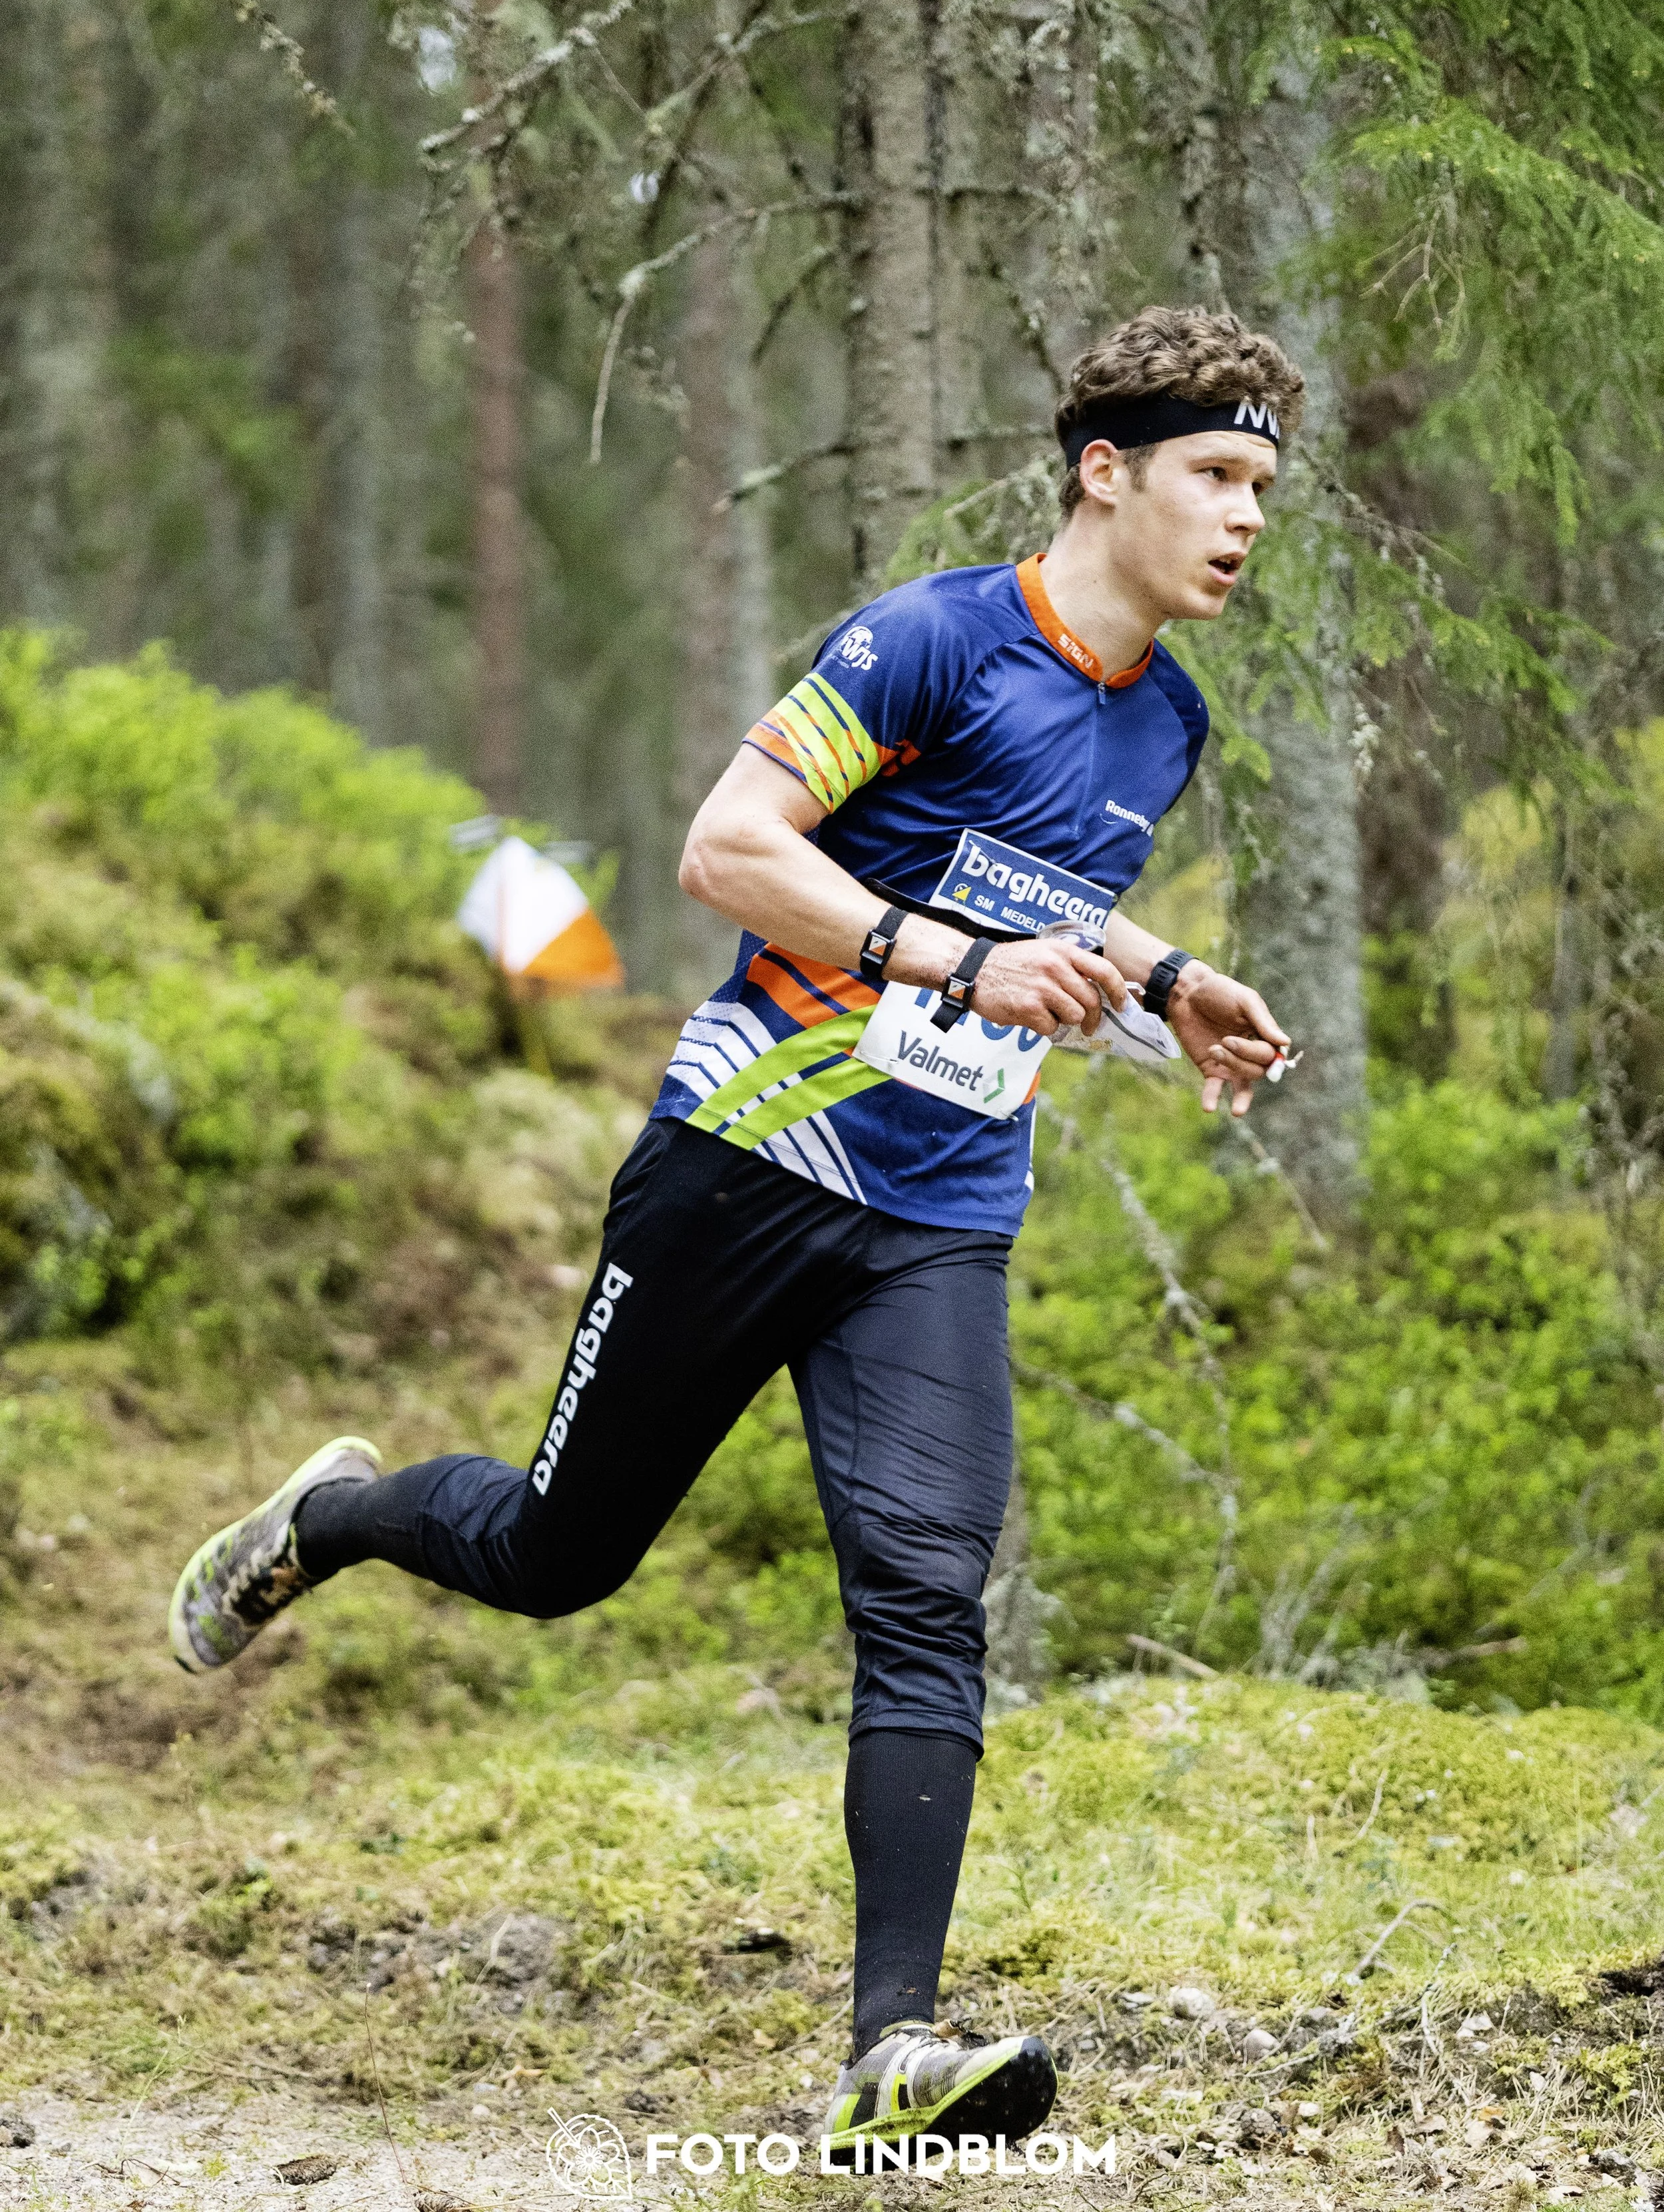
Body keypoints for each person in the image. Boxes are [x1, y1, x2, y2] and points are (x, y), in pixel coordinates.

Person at [168, 303, 1297, 2158]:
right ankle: (332, 1516)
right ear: (1107, 471)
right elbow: (727, 849)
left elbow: (1027, 915)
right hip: (745, 1161)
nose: (1245, 519)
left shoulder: (1162, 719)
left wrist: (1161, 978)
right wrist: (957, 959)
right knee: (556, 1552)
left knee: (928, 1602)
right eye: (1215, 476)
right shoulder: (930, 639)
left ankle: (889, 2055)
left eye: (1262, 487)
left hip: (939, 1211)